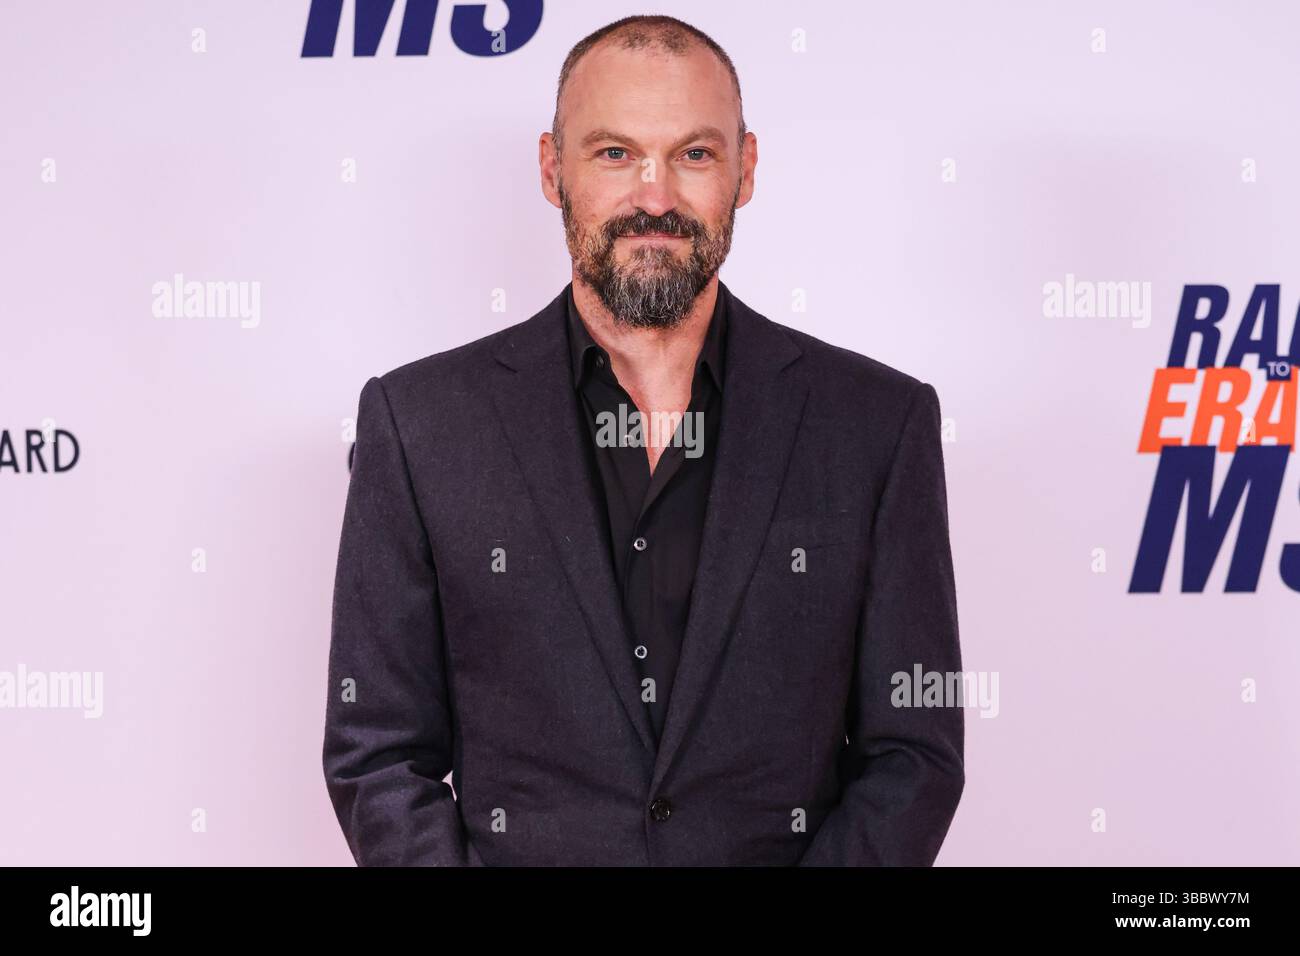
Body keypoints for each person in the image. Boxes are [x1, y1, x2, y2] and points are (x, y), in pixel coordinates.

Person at [322, 14, 964, 866]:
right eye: (614, 153)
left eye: (694, 154)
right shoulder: (420, 424)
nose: (655, 197)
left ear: (746, 169)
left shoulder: (878, 426)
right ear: (554, 168)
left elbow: (915, 756)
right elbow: (377, 754)